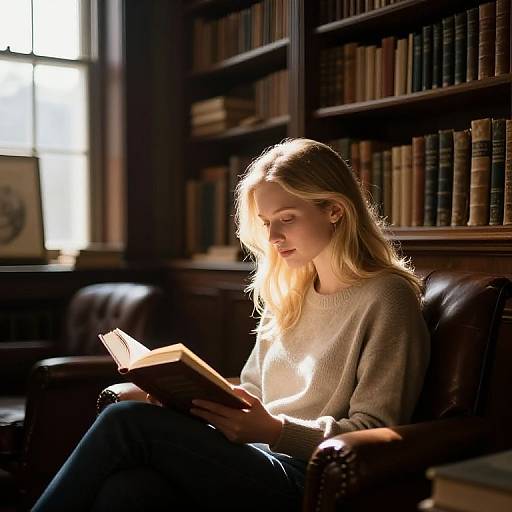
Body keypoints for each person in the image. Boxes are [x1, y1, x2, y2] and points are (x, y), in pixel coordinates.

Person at [32, 138, 430, 511]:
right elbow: (254, 390)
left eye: (287, 218)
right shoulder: (291, 291)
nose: (273, 236)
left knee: (124, 421)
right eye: (266, 221)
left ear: (334, 210)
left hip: (304, 477)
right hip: (254, 456)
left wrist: (274, 430)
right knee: (128, 491)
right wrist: (188, 402)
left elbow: (376, 431)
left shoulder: (386, 297)